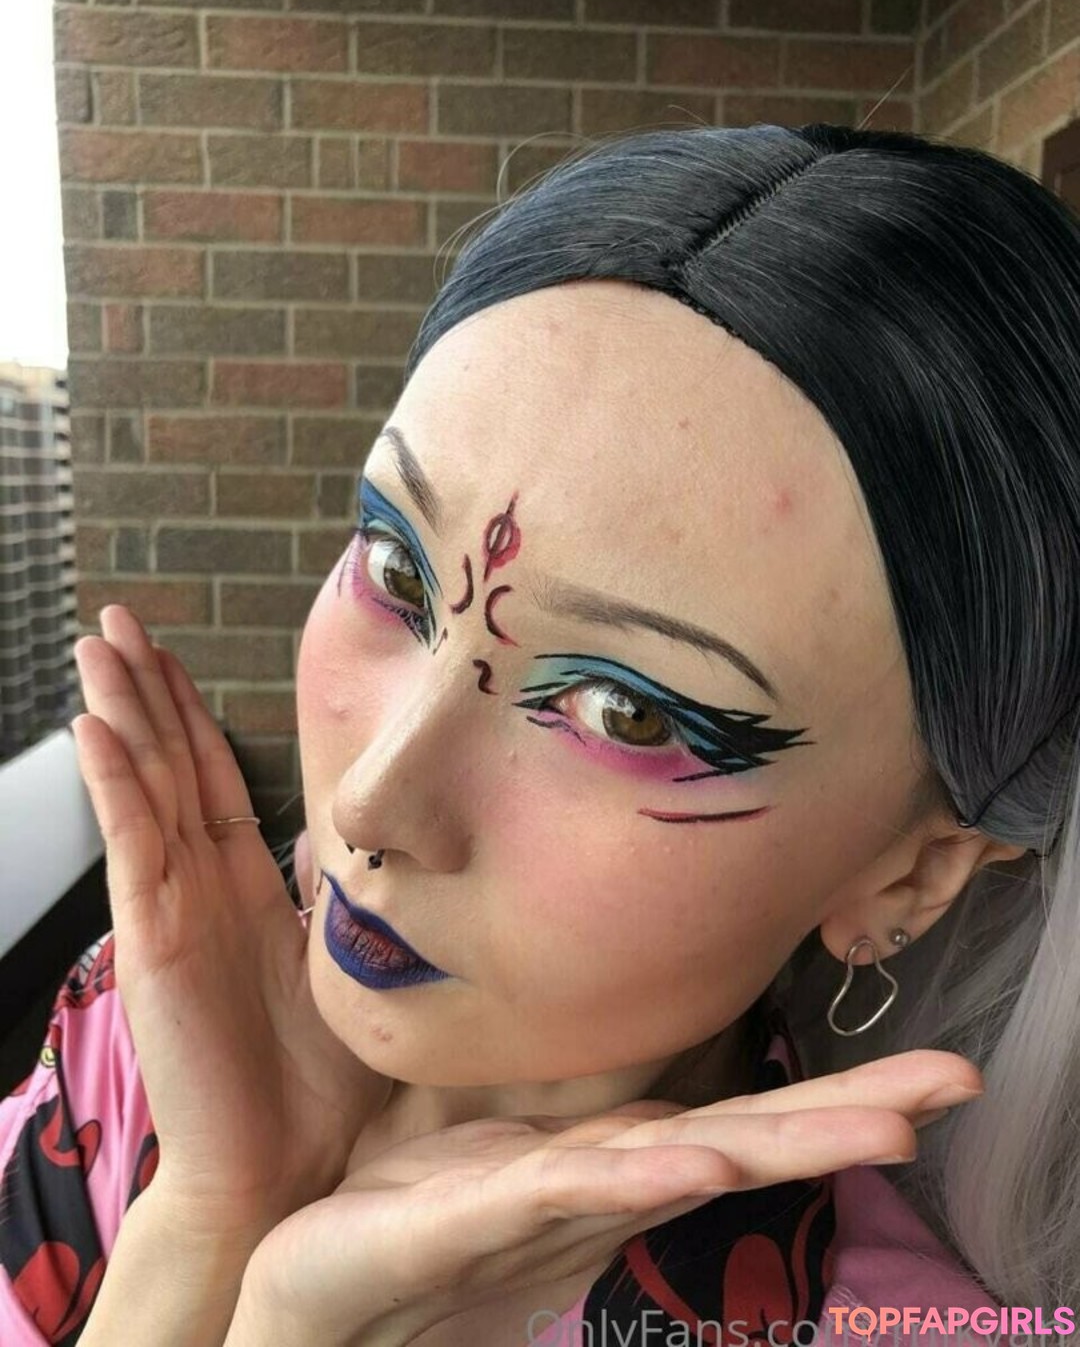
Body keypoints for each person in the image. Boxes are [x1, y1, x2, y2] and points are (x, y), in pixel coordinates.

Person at [1, 120, 1078, 1347]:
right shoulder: (159, 1038)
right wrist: (207, 1220)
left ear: (910, 873)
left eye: (624, 709)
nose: (368, 802)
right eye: (397, 569)